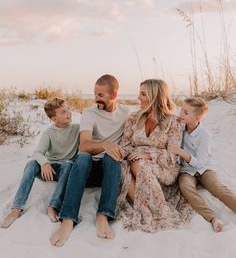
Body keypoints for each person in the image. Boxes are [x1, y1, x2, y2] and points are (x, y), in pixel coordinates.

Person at [49, 74, 130, 247]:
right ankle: (68, 219)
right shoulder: (90, 113)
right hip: (86, 171)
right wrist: (105, 144)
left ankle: (103, 216)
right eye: (95, 94)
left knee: (113, 157)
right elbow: (84, 145)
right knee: (84, 157)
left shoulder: (126, 114)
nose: (96, 99)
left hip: (109, 172)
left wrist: (114, 149)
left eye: (101, 95)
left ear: (114, 95)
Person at [116, 79, 193, 232]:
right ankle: (144, 208)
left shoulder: (173, 122)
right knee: (121, 165)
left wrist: (147, 154)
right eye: (139, 93)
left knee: (140, 164)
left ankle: (157, 208)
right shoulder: (133, 118)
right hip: (135, 161)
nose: (138, 98)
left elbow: (173, 154)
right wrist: (134, 154)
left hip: (164, 167)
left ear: (155, 96)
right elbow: (125, 144)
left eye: (143, 94)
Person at [1, 97, 80, 228]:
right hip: (48, 170)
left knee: (68, 164)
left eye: (68, 110)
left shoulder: (77, 129)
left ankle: (53, 206)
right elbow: (37, 153)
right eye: (63, 112)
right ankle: (17, 208)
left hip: (65, 170)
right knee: (31, 164)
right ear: (54, 119)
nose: (68, 113)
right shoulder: (49, 133)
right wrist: (45, 163)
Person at [168, 97, 236, 232]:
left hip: (204, 169)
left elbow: (200, 163)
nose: (181, 114)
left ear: (197, 118)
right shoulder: (179, 128)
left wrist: (182, 153)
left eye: (186, 113)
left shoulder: (205, 135)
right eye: (181, 110)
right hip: (186, 171)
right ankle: (213, 218)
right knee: (186, 187)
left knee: (217, 188)